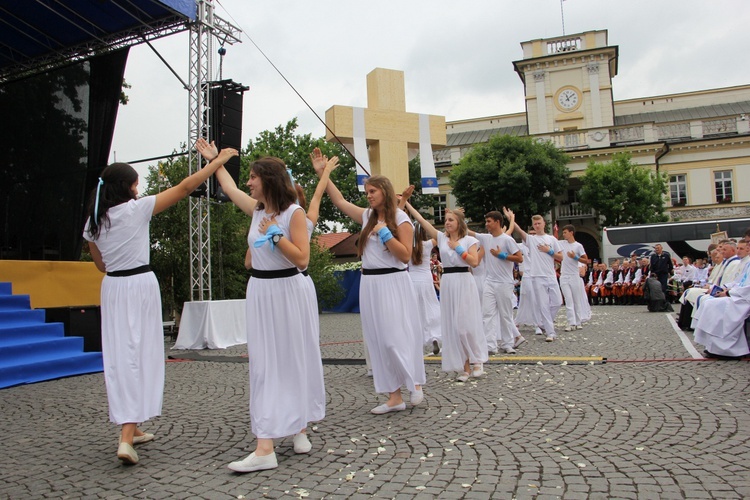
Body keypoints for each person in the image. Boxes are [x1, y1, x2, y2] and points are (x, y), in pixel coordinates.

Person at [83, 148, 239, 465]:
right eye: (136, 185)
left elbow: (100, 265)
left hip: (112, 288)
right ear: (127, 187)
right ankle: (126, 436)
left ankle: (134, 426)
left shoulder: (93, 221)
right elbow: (184, 188)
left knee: (121, 355)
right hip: (139, 285)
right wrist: (217, 162)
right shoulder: (136, 209)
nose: (138, 190)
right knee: (139, 355)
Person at [203, 146, 326, 473]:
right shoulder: (257, 210)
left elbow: (302, 259)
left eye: (253, 177)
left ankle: (295, 427)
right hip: (261, 290)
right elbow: (228, 188)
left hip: (288, 290)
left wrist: (276, 238)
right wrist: (214, 160)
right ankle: (267, 444)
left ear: (268, 180)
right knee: (265, 364)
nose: (248, 182)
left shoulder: (293, 215)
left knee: (292, 357)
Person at [316, 169, 425, 414]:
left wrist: (385, 232)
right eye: (366, 193)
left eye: (372, 191)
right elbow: (340, 201)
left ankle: (414, 382)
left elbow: (405, 255)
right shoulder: (367, 216)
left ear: (384, 191)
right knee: (377, 341)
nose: (368, 196)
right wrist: (324, 173)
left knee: (394, 338)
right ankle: (394, 397)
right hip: (370, 283)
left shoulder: (401, 219)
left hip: (393, 282)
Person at [405, 201, 487, 381]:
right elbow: (420, 219)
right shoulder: (441, 238)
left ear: (459, 223)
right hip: (448, 282)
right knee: (454, 327)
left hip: (464, 280)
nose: (447, 222)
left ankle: (477, 361)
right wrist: (407, 203)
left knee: (466, 324)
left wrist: (457, 248)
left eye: (451, 220)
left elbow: (474, 262)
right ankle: (464, 368)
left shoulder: (469, 240)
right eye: (446, 220)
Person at [471, 210, 523, 355]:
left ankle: (507, 343)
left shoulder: (507, 240)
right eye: (486, 221)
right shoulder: (486, 238)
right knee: (487, 314)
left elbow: (519, 258)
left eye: (489, 221)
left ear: (497, 222)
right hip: (489, 282)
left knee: (505, 314)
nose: (486, 224)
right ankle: (490, 345)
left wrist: (502, 255)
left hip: (504, 282)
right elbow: (469, 232)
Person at [506, 210, 563, 342]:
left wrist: (550, 251)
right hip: (537, 277)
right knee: (543, 305)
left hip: (551, 275)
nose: (537, 225)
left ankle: (543, 324)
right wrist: (511, 219)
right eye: (535, 224)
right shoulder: (531, 240)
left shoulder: (552, 239)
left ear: (544, 224)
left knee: (557, 302)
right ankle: (550, 332)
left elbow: (561, 257)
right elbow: (519, 231)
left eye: (539, 223)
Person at [558, 224, 589, 330]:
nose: (564, 234)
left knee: (576, 299)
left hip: (574, 275)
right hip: (564, 275)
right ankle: (571, 322)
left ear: (571, 233)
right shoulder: (561, 243)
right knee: (568, 299)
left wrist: (575, 257)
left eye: (565, 232)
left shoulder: (578, 246)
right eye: (563, 232)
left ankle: (578, 321)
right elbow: (553, 242)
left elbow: (586, 260)